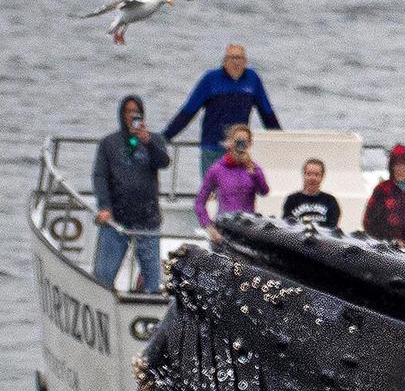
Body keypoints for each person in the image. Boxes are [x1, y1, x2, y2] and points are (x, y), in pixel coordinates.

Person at [162, 44, 281, 176]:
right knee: (212, 192)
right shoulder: (211, 79)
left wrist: (280, 138)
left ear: (245, 62)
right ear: (224, 61)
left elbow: (267, 112)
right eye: (233, 58)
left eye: (241, 58)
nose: (237, 62)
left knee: (237, 192)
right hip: (213, 146)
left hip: (239, 147)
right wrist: (165, 137)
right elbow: (188, 111)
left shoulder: (252, 79)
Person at [92, 95, 171, 292]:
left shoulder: (155, 140)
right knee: (102, 277)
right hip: (117, 219)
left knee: (153, 283)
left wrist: (148, 141)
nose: (131, 116)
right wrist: (104, 207)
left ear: (142, 115)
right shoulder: (108, 144)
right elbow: (100, 176)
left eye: (136, 112)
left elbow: (164, 162)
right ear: (121, 114)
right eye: (127, 111)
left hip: (147, 219)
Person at [195, 124, 270, 243]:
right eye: (237, 142)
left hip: (247, 230)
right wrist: (209, 227)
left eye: (244, 142)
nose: (240, 146)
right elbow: (199, 202)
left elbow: (264, 191)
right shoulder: (217, 169)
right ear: (230, 143)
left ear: (249, 144)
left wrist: (254, 172)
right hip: (224, 230)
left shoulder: (253, 168)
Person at [282, 158, 341, 228]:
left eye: (316, 175)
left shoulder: (330, 200)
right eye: (309, 174)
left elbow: (332, 228)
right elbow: (287, 226)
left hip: (322, 238)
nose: (312, 178)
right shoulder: (292, 200)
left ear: (322, 176)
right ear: (304, 175)